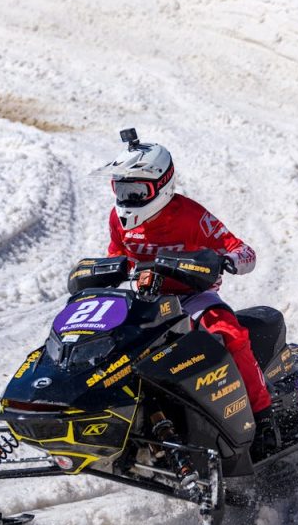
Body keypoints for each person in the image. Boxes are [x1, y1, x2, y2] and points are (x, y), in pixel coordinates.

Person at [97, 129, 277, 480]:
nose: (127, 199)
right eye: (121, 190)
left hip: (193, 298)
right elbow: (116, 255)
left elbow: (243, 250)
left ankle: (263, 414)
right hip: (146, 301)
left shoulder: (191, 216)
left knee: (229, 334)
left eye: (136, 192)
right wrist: (115, 273)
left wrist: (227, 261)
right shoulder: (117, 219)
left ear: (162, 185)